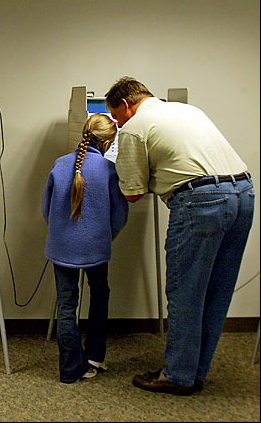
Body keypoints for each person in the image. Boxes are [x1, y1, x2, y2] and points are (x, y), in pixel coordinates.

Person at [105, 76, 254, 396]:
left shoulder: (133, 128)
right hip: (243, 194)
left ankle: (177, 375)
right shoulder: (188, 110)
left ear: (127, 106)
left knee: (186, 292)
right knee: (217, 291)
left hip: (200, 202)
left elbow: (133, 194)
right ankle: (195, 371)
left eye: (116, 116)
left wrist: (115, 162)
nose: (117, 124)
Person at [42, 113, 129, 384]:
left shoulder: (60, 164)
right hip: (96, 249)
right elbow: (120, 215)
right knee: (100, 296)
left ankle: (70, 370)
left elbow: (46, 210)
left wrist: (62, 234)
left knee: (67, 307)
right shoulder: (108, 170)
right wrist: (104, 236)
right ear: (105, 143)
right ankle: (94, 358)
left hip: (62, 248)